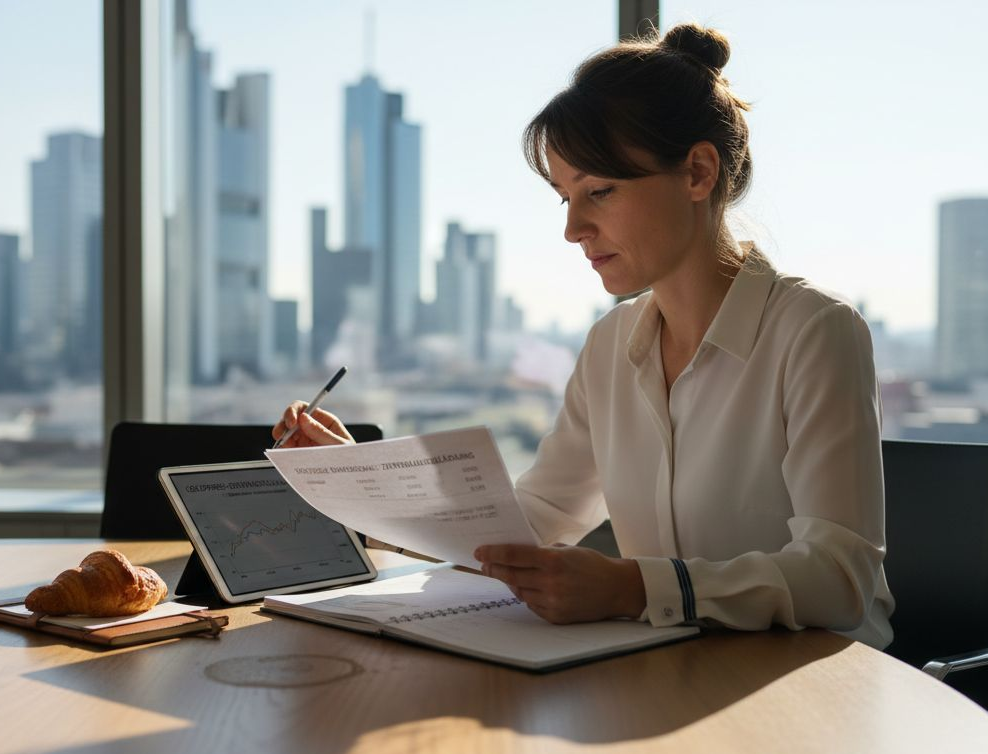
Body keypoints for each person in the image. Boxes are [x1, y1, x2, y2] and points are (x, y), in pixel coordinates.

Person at [273, 23, 894, 649]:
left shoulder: (814, 332)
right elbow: (532, 525)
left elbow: (839, 580)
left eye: (600, 190)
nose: (574, 228)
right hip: (670, 670)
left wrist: (631, 588)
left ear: (698, 172)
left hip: (814, 686)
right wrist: (366, 486)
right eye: (566, 197)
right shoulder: (610, 346)